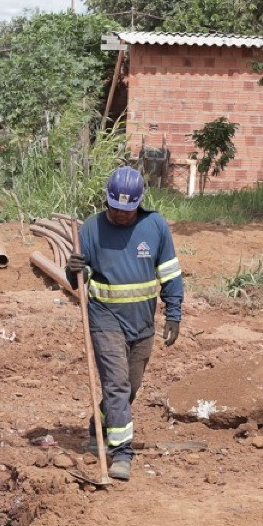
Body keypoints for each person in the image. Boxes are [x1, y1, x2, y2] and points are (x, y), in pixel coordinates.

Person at [65, 166, 183, 481]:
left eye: (127, 210)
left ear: (138, 204)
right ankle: (122, 453)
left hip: (143, 324)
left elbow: (170, 272)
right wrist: (72, 268)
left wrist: (174, 312)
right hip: (105, 319)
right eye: (115, 208)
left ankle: (99, 425)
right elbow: (78, 279)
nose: (120, 214)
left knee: (128, 388)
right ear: (107, 202)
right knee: (116, 384)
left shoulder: (155, 226)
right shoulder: (90, 229)